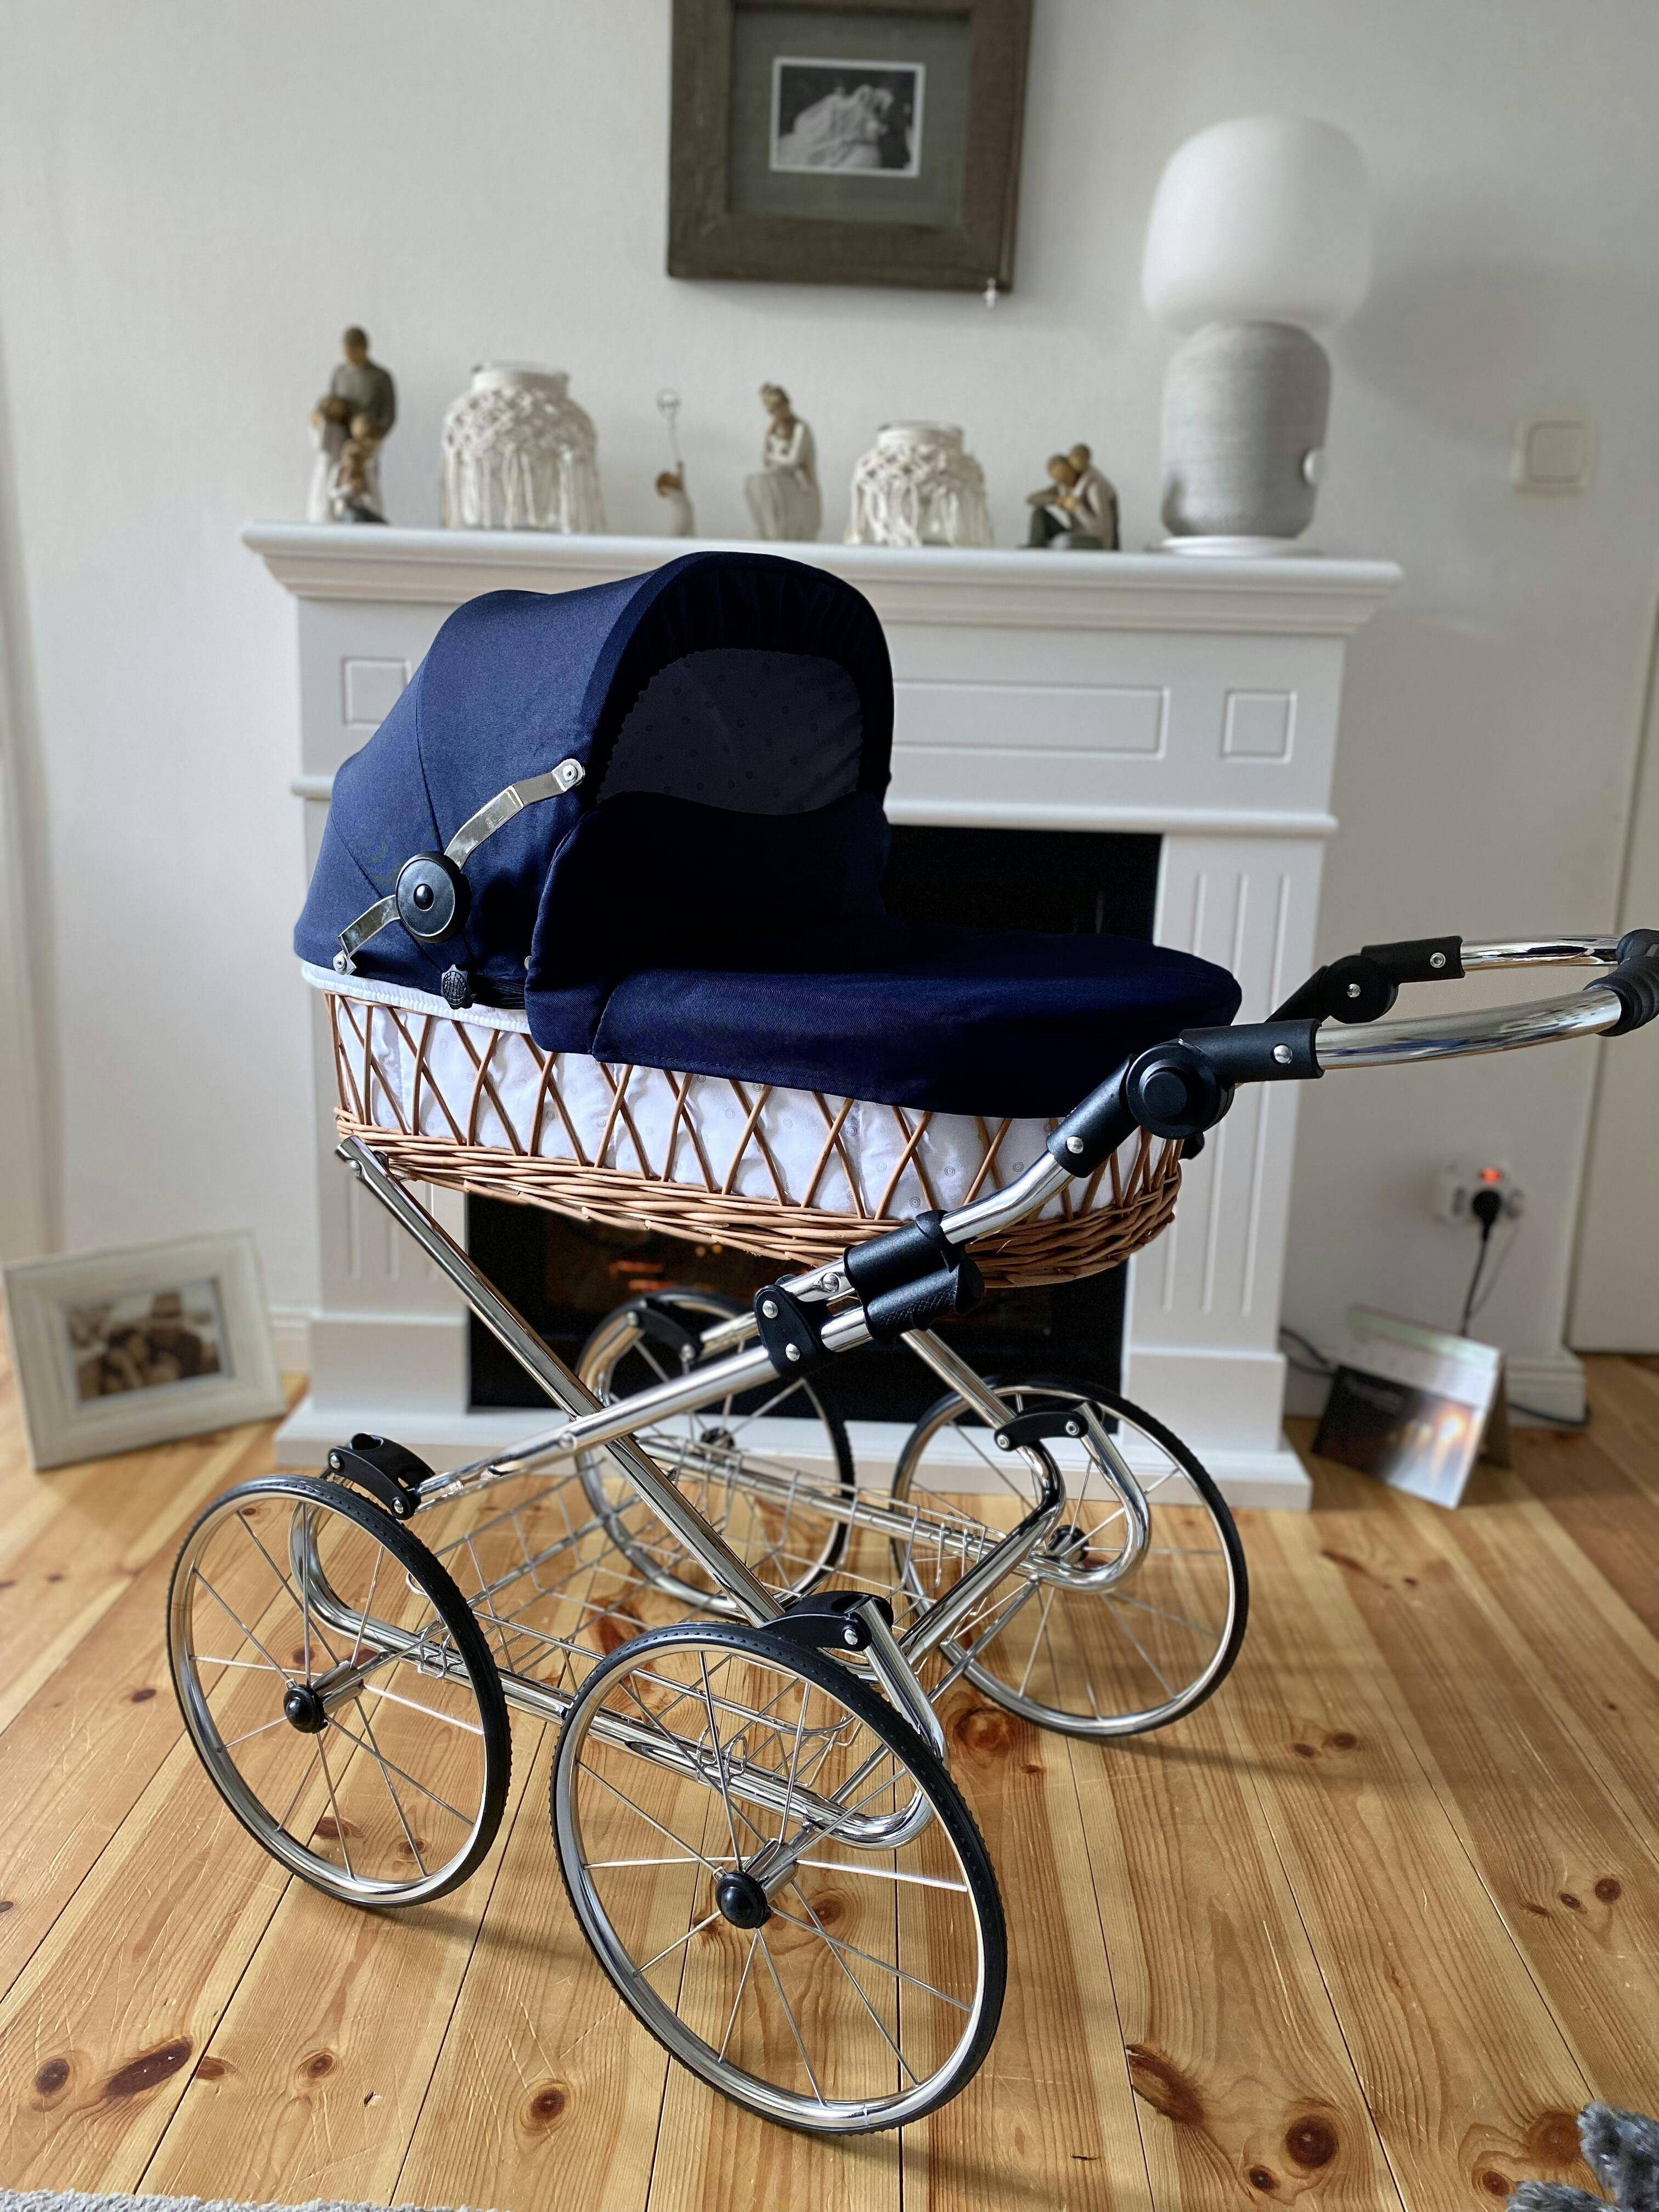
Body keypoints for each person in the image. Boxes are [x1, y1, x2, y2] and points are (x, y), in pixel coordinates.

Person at [309, 326, 395, 522]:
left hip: (367, 436)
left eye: (352, 351)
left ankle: (366, 517)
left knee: (367, 480)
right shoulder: (340, 374)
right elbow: (331, 402)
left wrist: (373, 436)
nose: (348, 356)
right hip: (340, 436)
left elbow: (389, 415)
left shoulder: (380, 377)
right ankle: (334, 515)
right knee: (336, 477)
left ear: (363, 349)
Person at [744, 384, 821, 541]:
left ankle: (775, 532)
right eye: (772, 412)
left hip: (800, 484)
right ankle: (768, 533)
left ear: (786, 405)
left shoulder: (801, 429)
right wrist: (767, 437)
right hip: (779, 478)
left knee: (766, 482)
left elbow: (793, 460)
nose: (776, 415)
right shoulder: (773, 429)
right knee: (753, 482)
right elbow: (765, 460)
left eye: (777, 409)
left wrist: (772, 456)